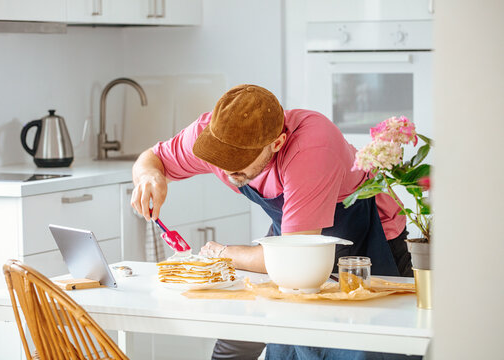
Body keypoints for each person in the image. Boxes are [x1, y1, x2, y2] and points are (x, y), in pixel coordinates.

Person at [131, 84, 417, 360]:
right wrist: (150, 176)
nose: (227, 168)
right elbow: (151, 158)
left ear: (277, 143)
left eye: (239, 161)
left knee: (358, 341)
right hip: (294, 235)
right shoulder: (215, 133)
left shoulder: (312, 148)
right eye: (220, 157)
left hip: (368, 242)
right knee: (243, 326)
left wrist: (223, 253)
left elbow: (294, 259)